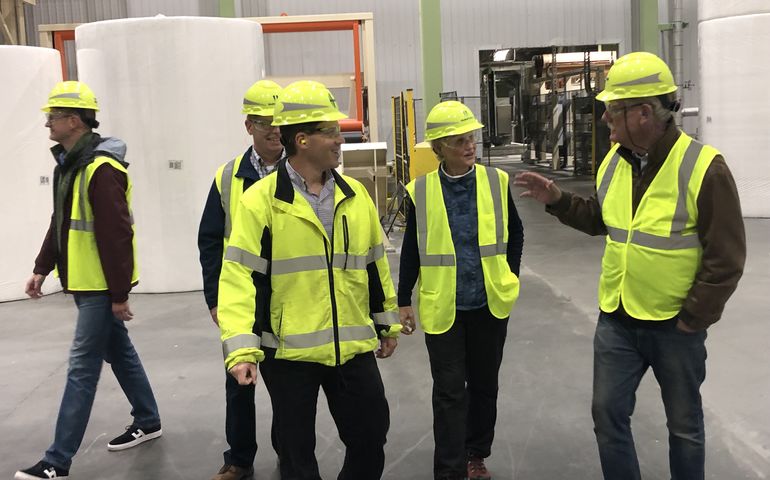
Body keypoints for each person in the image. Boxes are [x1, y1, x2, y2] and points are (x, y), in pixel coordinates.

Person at [514, 51, 746, 480]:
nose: (604, 120)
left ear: (643, 114)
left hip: (675, 324)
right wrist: (559, 201)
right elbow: (603, 220)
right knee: (608, 416)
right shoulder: (613, 163)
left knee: (685, 427)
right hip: (618, 318)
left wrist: (694, 319)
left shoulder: (703, 169)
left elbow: (726, 257)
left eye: (612, 111)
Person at [216, 80, 401, 480]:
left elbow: (374, 266)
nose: (340, 139)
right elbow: (238, 278)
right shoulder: (260, 201)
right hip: (288, 352)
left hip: (351, 345)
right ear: (302, 139)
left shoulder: (356, 196)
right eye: (330, 132)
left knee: (371, 435)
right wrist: (241, 348)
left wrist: (386, 322)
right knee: (296, 454)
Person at [16, 81, 161, 480]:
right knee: (120, 353)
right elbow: (61, 223)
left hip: (99, 288)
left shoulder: (101, 169)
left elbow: (116, 234)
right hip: (84, 282)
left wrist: (118, 295)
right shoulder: (70, 165)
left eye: (54, 116)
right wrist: (42, 267)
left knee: (82, 368)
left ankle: (57, 462)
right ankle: (148, 419)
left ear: (74, 121)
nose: (48, 123)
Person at [398, 100, 523, 480]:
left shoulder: (495, 181)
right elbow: (411, 249)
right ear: (438, 149)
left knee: (484, 386)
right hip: (444, 307)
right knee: (450, 392)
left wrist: (508, 275)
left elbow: (515, 234)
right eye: (458, 141)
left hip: (489, 304)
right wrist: (403, 299)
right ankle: (450, 469)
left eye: (471, 138)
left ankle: (476, 455)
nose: (469, 146)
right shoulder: (420, 191)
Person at [198, 79, 284, 480]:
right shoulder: (228, 176)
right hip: (244, 296)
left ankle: (292, 450)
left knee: (289, 384)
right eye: (263, 121)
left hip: (289, 294)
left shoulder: (299, 170)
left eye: (279, 120)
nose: (273, 129)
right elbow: (211, 241)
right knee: (240, 381)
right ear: (248, 125)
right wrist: (216, 298)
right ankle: (239, 460)